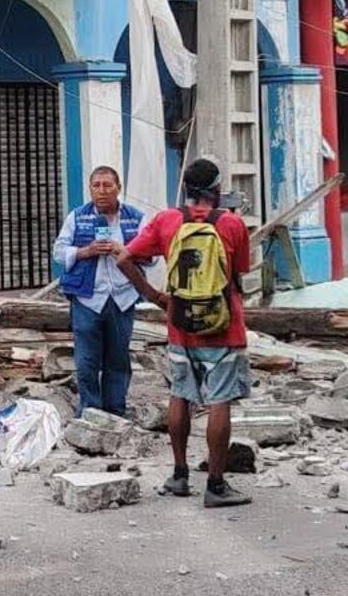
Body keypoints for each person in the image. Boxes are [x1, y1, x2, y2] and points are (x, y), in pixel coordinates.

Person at [117, 156, 253, 509]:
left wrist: (156, 297)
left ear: (187, 189)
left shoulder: (167, 220)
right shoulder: (231, 224)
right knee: (219, 401)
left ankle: (179, 475)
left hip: (179, 324)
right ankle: (216, 485)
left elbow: (124, 258)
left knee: (180, 395)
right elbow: (240, 272)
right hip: (224, 326)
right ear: (217, 189)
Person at [52, 165, 146, 417]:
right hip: (88, 298)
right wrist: (86, 251)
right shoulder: (77, 217)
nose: (102, 191)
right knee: (86, 361)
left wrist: (122, 251)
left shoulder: (135, 218)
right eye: (96, 186)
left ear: (118, 188)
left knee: (118, 358)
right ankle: (91, 411)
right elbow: (59, 251)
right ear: (90, 189)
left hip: (122, 297)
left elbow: (151, 256)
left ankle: (115, 411)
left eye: (107, 185)